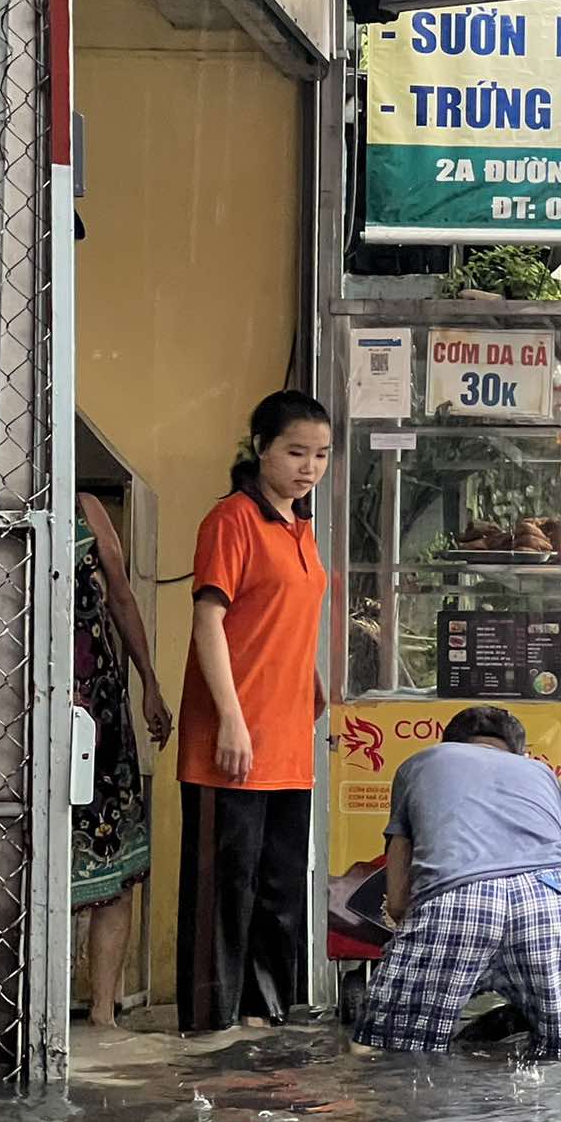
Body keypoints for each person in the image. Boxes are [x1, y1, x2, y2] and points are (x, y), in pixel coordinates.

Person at [175, 390, 332, 1033]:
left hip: (290, 737)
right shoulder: (231, 520)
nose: (309, 467)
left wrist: (312, 685)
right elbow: (209, 620)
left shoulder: (304, 528)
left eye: (320, 455)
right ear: (261, 447)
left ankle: (265, 1016)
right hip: (230, 740)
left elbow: (283, 621)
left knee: (277, 887)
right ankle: (211, 1024)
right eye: (296, 452)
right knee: (223, 891)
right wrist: (233, 718)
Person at [354, 706, 561, 1055]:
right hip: (547, 899)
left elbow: (399, 872)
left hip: (458, 897)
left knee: (381, 1053)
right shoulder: (542, 774)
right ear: (518, 751)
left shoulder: (423, 763)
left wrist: (405, 922)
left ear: (450, 743)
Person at [73, 493, 173, 1027]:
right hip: (17, 708)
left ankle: (104, 1012)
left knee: (116, 861)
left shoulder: (87, 509)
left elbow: (121, 599)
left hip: (99, 709)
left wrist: (149, 684)